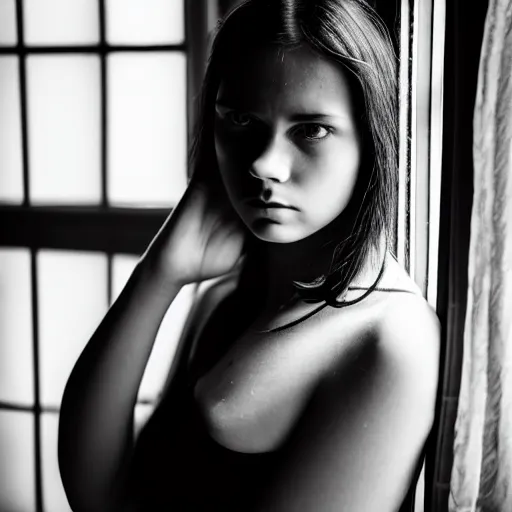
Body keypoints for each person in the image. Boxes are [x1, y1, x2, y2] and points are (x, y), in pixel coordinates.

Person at [58, 0, 440, 510]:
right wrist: (158, 275)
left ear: (372, 139)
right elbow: (97, 495)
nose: (264, 163)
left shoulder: (388, 338)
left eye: (311, 129)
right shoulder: (222, 297)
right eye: (240, 120)